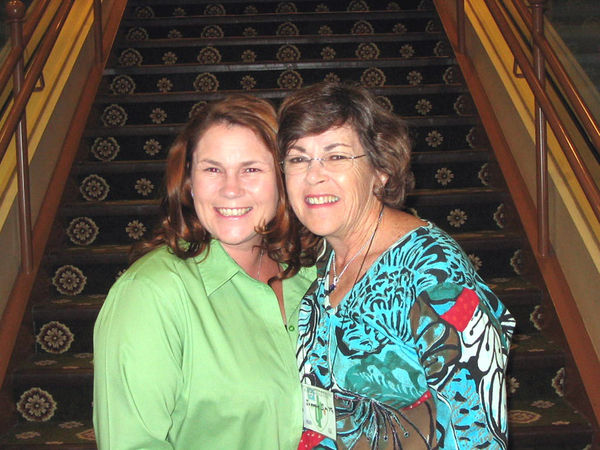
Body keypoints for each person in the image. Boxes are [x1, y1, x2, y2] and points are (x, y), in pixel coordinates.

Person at [277, 82, 516, 450]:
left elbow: (476, 429)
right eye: (298, 158)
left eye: (336, 156)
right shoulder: (325, 264)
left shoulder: (432, 271)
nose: (313, 175)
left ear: (381, 170)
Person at [93, 95, 316, 449]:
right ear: (189, 183)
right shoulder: (151, 293)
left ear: (283, 180)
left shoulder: (315, 278)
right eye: (212, 169)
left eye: (251, 169)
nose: (231, 188)